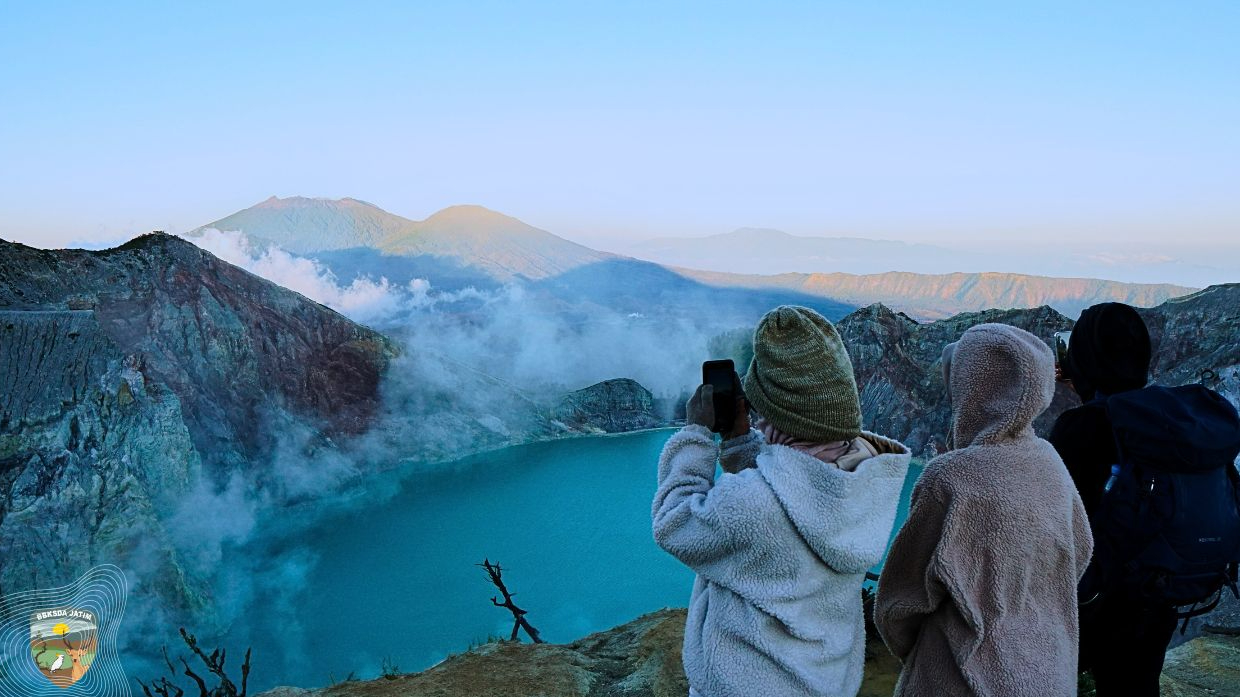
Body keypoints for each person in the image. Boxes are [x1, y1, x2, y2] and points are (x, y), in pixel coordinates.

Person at [652, 305, 911, 697]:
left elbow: (674, 523)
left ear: (775, 411)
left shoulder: (752, 504)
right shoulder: (869, 476)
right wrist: (741, 443)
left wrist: (696, 435)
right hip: (825, 680)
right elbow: (790, 493)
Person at [876, 323, 1093, 696]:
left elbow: (901, 600)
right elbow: (1081, 552)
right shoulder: (1050, 462)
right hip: (1049, 672)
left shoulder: (950, 479)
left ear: (973, 386)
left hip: (960, 679)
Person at [1050, 302, 1188, 695]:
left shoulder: (1081, 426)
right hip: (1158, 593)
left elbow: (1054, 511)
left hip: (1101, 601)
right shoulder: (1160, 414)